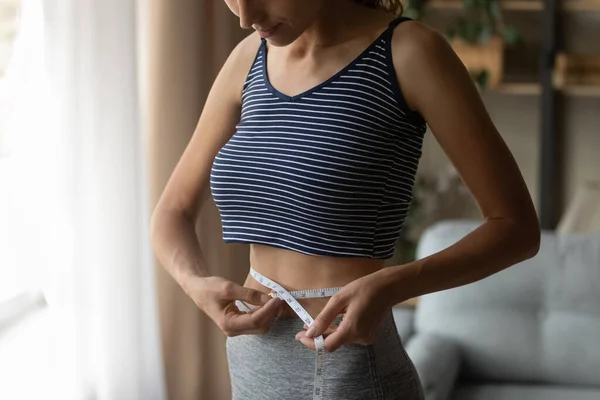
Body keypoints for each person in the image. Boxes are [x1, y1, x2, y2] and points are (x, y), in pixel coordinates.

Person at [150, 0, 541, 398]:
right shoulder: (248, 57)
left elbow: (516, 228)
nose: (246, 17)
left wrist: (392, 285)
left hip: (351, 370)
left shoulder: (409, 52)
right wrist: (195, 283)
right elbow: (172, 211)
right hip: (253, 364)